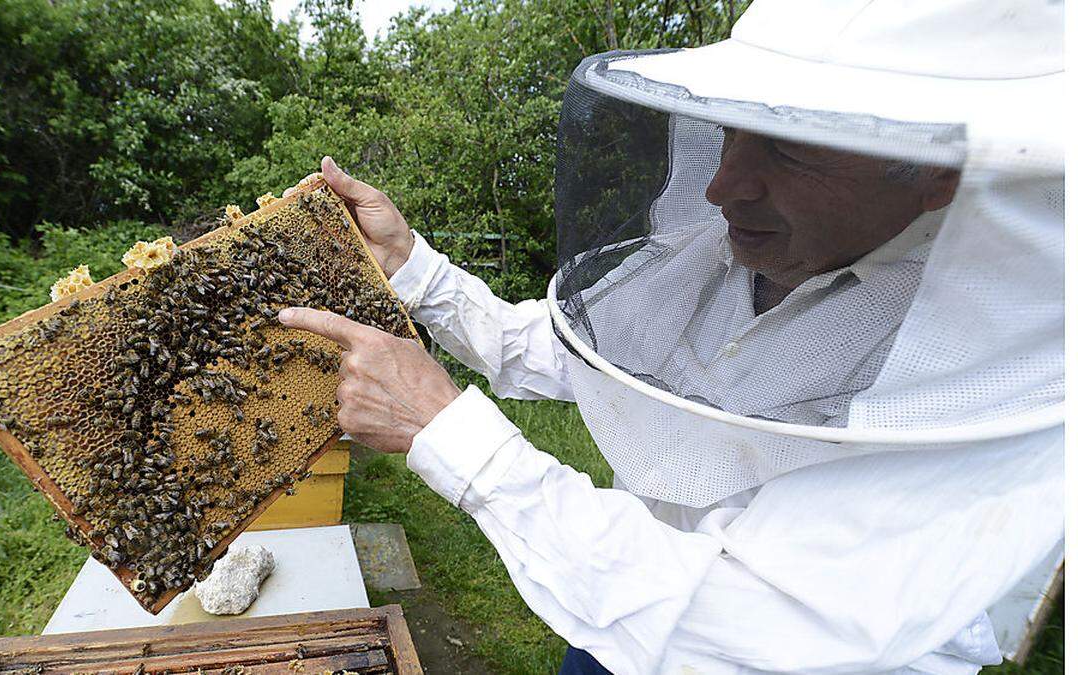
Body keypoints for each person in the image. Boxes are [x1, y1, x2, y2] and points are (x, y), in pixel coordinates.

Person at [277, 0, 1063, 672]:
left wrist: (445, 429)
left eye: (788, 149)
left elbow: (748, 622)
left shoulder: (980, 379)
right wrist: (412, 266)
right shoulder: (713, 254)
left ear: (937, 172)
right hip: (602, 612)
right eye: (731, 134)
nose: (723, 188)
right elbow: (558, 352)